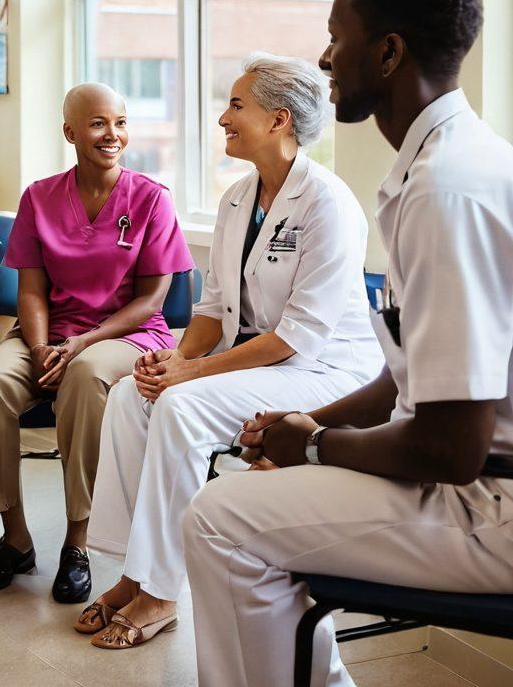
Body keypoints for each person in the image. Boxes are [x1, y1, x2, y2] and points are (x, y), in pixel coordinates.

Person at [182, 0, 513, 687]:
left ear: (389, 51)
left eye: (338, 36)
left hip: (512, 510)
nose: (327, 57)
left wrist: (319, 443)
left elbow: (450, 448)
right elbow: (409, 379)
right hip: (484, 483)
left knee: (220, 518)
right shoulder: (438, 168)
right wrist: (298, 428)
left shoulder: (448, 190)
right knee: (243, 499)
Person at [81, 54, 383, 650]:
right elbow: (213, 309)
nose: (224, 117)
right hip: (259, 362)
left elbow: (297, 336)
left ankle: (163, 591)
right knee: (127, 397)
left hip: (327, 372)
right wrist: (173, 361)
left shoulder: (328, 203)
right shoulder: (237, 198)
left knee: (180, 408)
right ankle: (131, 571)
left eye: (236, 106)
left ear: (278, 119)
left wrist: (190, 374)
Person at [0, 83, 194, 603]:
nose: (112, 134)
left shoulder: (152, 198)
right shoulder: (40, 197)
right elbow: (33, 290)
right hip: (51, 333)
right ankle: (15, 539)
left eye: (121, 122)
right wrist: (41, 348)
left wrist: (83, 343)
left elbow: (154, 298)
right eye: (97, 124)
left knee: (86, 379)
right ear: (70, 131)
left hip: (125, 335)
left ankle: (77, 542)